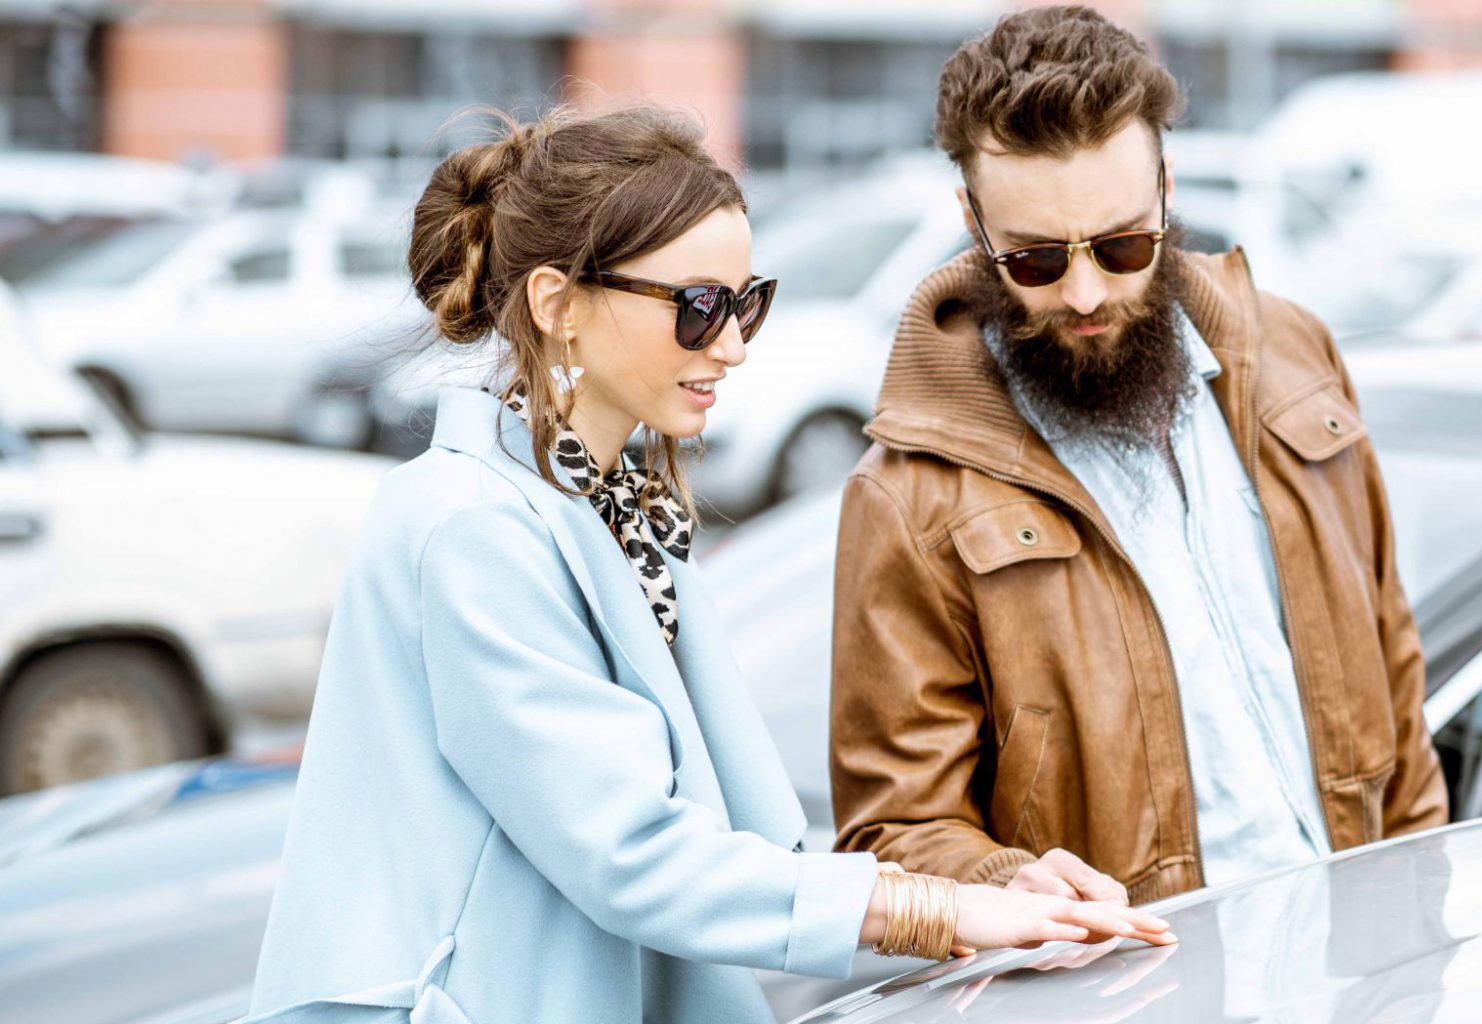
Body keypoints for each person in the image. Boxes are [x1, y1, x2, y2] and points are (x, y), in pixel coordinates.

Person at [245, 106, 1169, 1024]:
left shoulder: (614, 507)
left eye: (745, 302)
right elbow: (632, 854)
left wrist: (987, 882)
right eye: (697, 307)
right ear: (556, 303)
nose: (730, 343)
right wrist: (942, 909)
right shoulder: (469, 527)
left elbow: (748, 844)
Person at [830, 5, 1449, 909]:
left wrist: (1417, 924)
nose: (1086, 293)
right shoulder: (910, 497)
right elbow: (896, 833)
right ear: (972, 222)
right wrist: (1008, 881)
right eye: (1036, 261)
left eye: (1122, 245)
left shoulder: (1296, 360)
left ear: (1166, 187)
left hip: (1365, 968)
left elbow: (1396, 688)